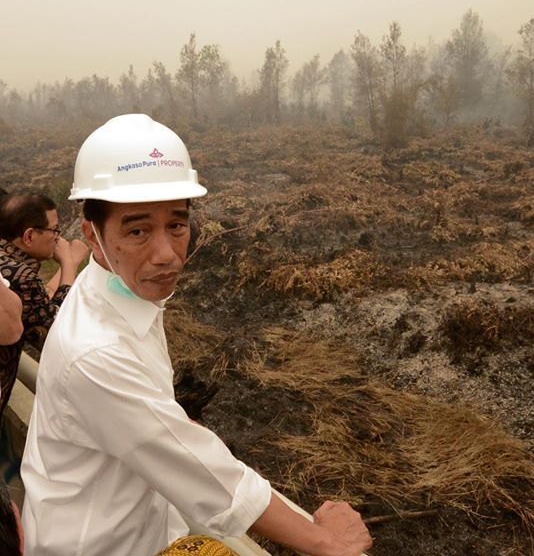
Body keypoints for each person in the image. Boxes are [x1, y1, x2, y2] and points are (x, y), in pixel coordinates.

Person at [21, 114, 372, 556]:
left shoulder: (111, 290)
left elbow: (157, 425)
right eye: (138, 229)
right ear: (91, 234)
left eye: (177, 225)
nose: (167, 254)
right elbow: (213, 482)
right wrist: (329, 541)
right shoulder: (96, 351)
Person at [0, 193, 89, 415]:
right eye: (54, 230)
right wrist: (69, 263)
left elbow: (39, 304)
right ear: (29, 236)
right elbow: (54, 325)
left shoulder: (7, 264)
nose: (58, 238)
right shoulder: (21, 276)